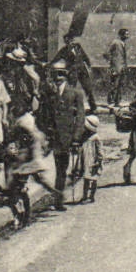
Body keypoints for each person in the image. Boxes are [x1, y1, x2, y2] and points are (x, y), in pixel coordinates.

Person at [41, 60, 86, 203]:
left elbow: (80, 117)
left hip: (68, 136)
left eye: (61, 74)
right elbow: (44, 114)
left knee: (64, 168)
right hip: (53, 136)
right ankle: (58, 197)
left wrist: (77, 137)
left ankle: (58, 198)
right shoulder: (50, 93)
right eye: (56, 74)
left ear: (66, 75)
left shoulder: (75, 93)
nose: (58, 77)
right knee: (58, 167)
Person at [53, 31, 98, 110]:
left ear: (72, 40)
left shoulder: (78, 47)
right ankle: (72, 106)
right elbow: (56, 58)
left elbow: (85, 57)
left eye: (70, 40)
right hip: (72, 72)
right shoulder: (63, 50)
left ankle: (93, 106)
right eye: (67, 41)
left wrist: (89, 66)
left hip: (82, 70)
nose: (69, 42)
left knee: (88, 88)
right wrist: (49, 64)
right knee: (72, 89)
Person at [77, 113, 104, 203]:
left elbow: (100, 150)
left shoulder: (96, 138)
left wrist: (99, 160)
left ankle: (91, 196)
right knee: (86, 178)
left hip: (93, 161)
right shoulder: (84, 137)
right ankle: (85, 196)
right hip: (86, 160)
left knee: (93, 179)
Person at [104, 28, 131, 107]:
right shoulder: (115, 43)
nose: (127, 36)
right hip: (115, 68)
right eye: (126, 34)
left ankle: (117, 101)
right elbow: (106, 53)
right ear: (121, 35)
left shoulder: (123, 43)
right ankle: (111, 101)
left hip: (122, 68)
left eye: (128, 34)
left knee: (120, 85)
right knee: (114, 85)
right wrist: (112, 62)